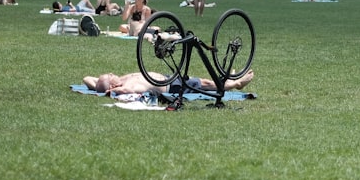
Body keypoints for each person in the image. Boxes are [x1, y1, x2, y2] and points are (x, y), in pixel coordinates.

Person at [83, 68, 255, 96]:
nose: (111, 73)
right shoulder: (127, 85)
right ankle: (235, 84)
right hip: (172, 87)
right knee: (204, 83)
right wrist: (111, 92)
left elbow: (88, 79)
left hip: (168, 77)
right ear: (113, 86)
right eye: (109, 76)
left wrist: (103, 84)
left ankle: (227, 80)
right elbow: (127, 91)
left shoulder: (119, 80)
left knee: (203, 80)